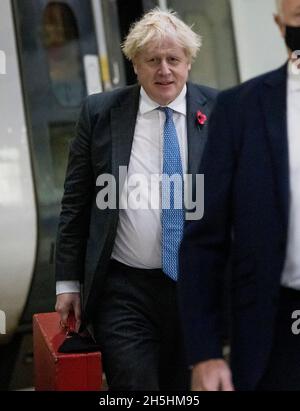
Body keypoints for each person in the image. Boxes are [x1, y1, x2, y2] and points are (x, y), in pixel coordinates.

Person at [55, 8, 217, 391]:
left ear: (188, 63)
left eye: (173, 60)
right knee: (135, 384)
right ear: (135, 64)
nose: (164, 70)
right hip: (124, 290)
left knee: (182, 387)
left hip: (194, 288)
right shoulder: (100, 114)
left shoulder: (220, 110)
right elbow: (76, 201)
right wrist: (67, 284)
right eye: (153, 60)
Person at [178, 0, 300, 391]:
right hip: (277, 331)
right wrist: (205, 352)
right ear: (280, 24)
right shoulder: (239, 110)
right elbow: (203, 240)